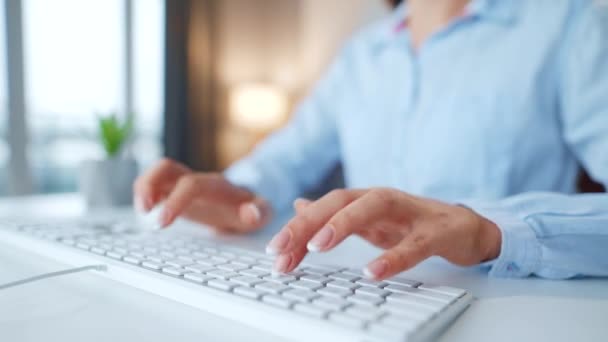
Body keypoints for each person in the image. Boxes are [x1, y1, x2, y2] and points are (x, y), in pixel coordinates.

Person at [134, 0, 608, 281]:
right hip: (361, 300)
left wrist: (490, 231)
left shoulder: (569, 25)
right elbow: (283, 161)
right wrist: (235, 192)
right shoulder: (361, 54)